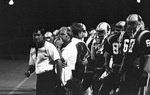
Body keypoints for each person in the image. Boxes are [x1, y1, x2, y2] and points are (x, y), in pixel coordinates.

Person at [118, 14, 150, 95]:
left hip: (139, 70)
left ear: (140, 23)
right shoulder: (126, 35)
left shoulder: (145, 35)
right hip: (128, 72)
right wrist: (121, 71)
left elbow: (148, 56)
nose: (129, 26)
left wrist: (144, 73)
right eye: (128, 23)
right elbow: (125, 56)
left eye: (132, 23)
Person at [25, 26, 62, 95]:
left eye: (38, 35)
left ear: (42, 36)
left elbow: (59, 62)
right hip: (40, 78)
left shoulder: (49, 46)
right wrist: (29, 71)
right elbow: (32, 65)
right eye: (34, 35)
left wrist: (59, 79)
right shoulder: (32, 49)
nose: (36, 37)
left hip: (49, 77)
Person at [98, 21, 126, 95]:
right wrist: (107, 67)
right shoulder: (111, 39)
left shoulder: (128, 38)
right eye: (116, 29)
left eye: (120, 29)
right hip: (115, 68)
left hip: (126, 70)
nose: (117, 31)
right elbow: (107, 54)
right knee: (103, 91)